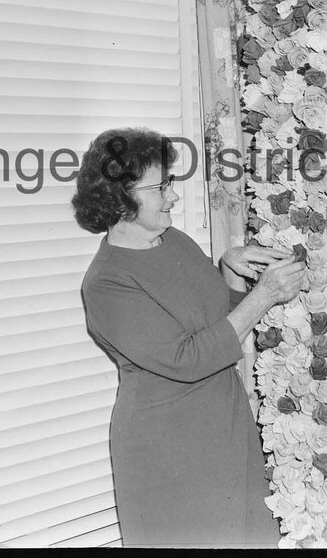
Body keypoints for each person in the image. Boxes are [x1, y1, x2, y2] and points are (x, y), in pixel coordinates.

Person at [72, 127, 306, 548]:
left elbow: (215, 323)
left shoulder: (173, 241)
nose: (172, 197)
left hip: (224, 428)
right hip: (169, 447)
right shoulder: (106, 283)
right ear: (121, 195)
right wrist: (265, 294)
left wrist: (231, 274)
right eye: (161, 187)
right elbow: (191, 357)